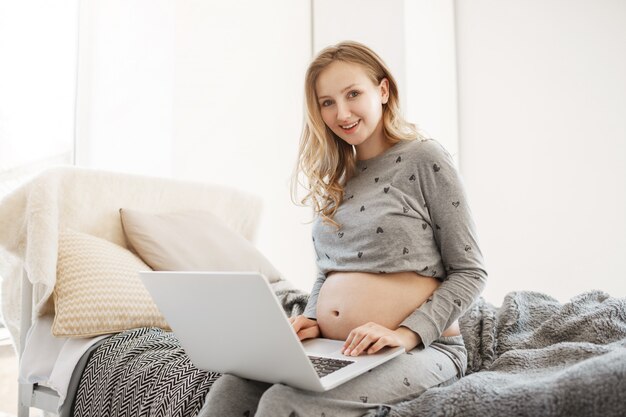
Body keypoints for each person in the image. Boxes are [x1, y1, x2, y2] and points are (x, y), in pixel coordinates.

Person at [204, 40, 487, 417]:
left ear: (383, 90)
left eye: (353, 94)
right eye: (327, 102)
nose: (342, 112)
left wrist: (404, 334)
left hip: (422, 348)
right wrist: (312, 317)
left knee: (283, 403)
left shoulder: (424, 158)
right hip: (337, 348)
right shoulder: (336, 177)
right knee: (230, 389)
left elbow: (470, 271)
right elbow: (330, 269)